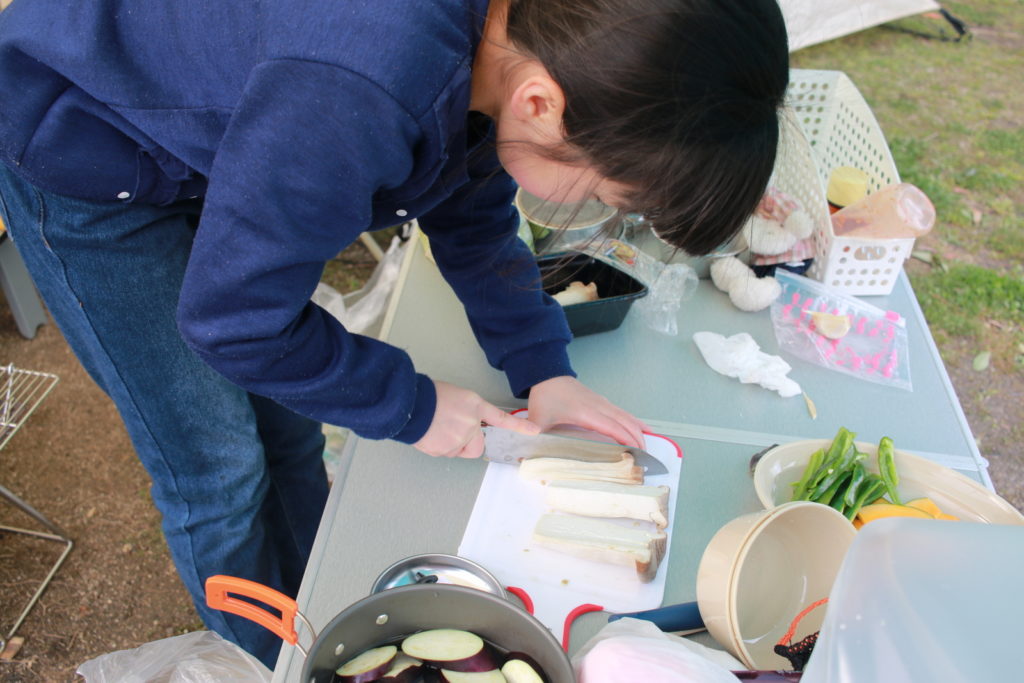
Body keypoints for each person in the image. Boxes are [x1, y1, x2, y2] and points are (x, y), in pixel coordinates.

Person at [0, 0, 789, 668]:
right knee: (217, 466)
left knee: (287, 433)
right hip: (87, 147)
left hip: (218, 135)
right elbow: (233, 320)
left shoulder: (509, 48)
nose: (605, 218)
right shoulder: (360, 90)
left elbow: (473, 212)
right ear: (543, 104)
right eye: (606, 197)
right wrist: (411, 404)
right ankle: (267, 662)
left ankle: (316, 602)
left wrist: (544, 367)